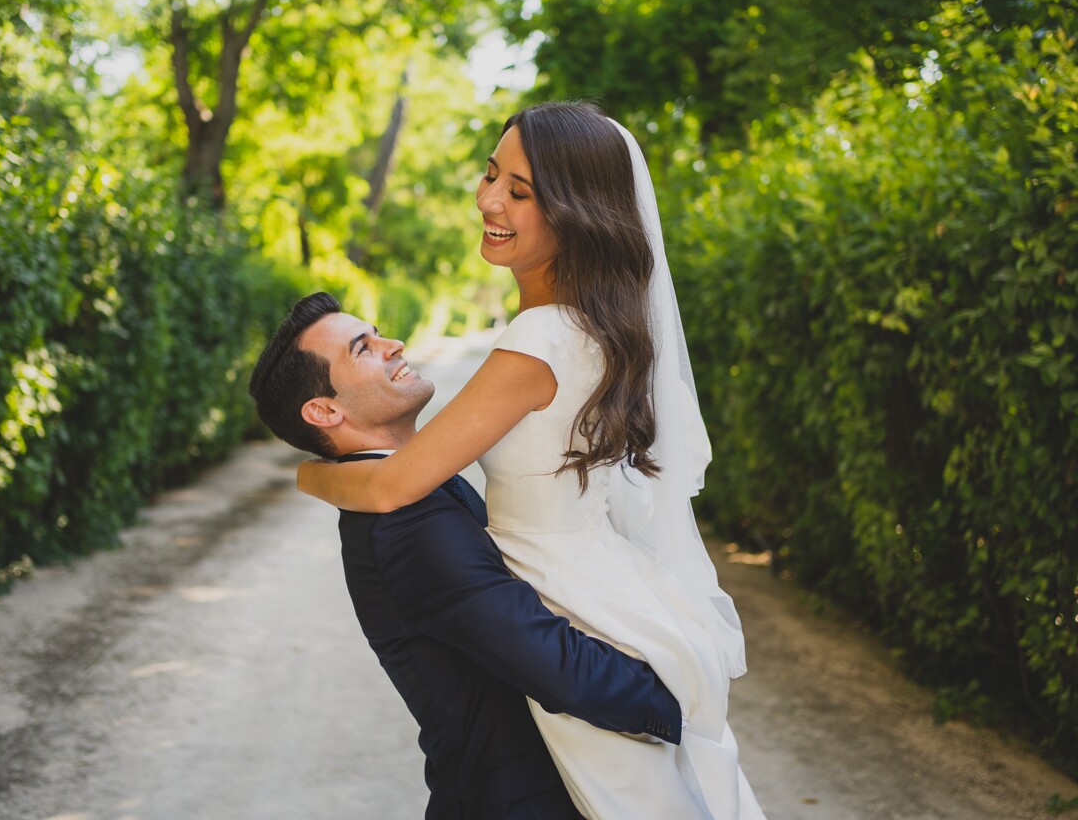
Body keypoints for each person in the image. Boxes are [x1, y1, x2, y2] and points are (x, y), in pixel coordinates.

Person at [297, 102, 767, 819]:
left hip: (562, 583)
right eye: (491, 175)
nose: (489, 200)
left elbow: (393, 483)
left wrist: (308, 474)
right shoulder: (592, 324)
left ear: (577, 213)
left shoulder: (539, 340)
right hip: (591, 570)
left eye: (520, 192)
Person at [248, 290, 686, 820]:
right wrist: (679, 701)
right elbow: (549, 659)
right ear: (324, 410)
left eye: (377, 333)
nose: (394, 344)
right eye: (363, 348)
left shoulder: (404, 487)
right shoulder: (404, 526)